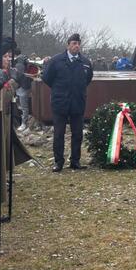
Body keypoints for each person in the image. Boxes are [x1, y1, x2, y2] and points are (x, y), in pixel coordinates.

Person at [42, 33, 93, 171]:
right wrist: (60, 90)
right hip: (60, 102)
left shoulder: (85, 63)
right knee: (59, 133)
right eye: (73, 43)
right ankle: (58, 162)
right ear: (68, 45)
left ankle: (75, 161)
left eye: (78, 43)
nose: (76, 46)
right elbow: (46, 78)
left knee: (77, 133)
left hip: (78, 102)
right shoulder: (56, 60)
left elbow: (88, 79)